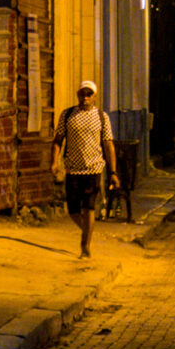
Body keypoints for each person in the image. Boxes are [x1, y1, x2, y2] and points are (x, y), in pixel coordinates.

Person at [52, 80, 119, 258]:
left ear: (94, 96)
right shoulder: (67, 115)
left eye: (89, 94)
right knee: (73, 210)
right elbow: (58, 140)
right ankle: (88, 231)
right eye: (83, 93)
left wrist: (113, 172)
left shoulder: (102, 117)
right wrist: (54, 161)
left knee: (89, 207)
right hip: (72, 169)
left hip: (94, 169)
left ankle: (85, 246)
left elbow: (108, 145)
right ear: (77, 94)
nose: (85, 97)